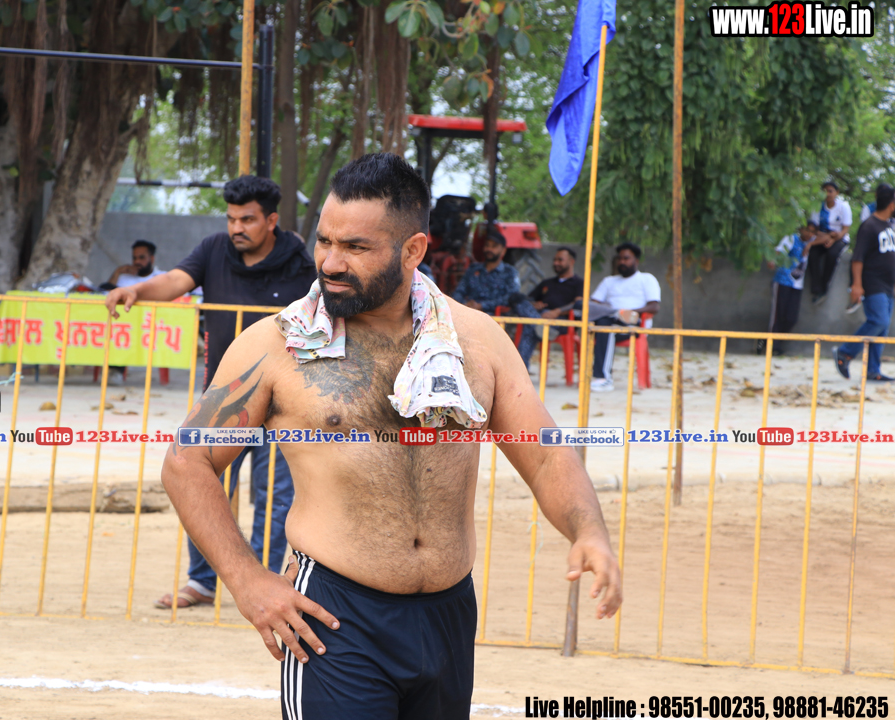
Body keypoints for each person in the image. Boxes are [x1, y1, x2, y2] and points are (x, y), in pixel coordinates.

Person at [160, 153, 621, 719]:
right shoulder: (277, 345)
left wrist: (589, 531)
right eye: (324, 241)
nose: (331, 262)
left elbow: (545, 456)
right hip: (334, 618)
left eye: (356, 247)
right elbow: (187, 462)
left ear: (413, 250)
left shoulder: (476, 342)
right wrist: (247, 580)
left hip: (449, 614)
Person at [105, 175, 317, 609]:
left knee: (274, 498)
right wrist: (136, 290)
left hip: (283, 401)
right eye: (232, 218)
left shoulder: (299, 261)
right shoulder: (213, 249)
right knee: (202, 484)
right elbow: (174, 281)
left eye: (247, 219)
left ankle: (266, 584)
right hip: (222, 400)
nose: (237, 227)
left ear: (271, 220)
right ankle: (202, 581)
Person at [834, 183, 895, 383]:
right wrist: (857, 285)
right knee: (879, 321)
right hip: (872, 282)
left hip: (888, 285)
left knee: (882, 329)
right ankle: (845, 352)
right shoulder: (869, 226)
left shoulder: (888, 226)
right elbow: (857, 258)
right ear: (891, 204)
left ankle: (873, 370)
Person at [589, 242, 661, 392]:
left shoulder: (646, 279)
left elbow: (654, 307)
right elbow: (593, 304)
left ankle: (603, 378)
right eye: (620, 258)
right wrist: (613, 312)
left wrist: (628, 312)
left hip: (634, 322)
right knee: (591, 312)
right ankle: (615, 313)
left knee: (606, 325)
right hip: (609, 320)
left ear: (636, 260)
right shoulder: (609, 281)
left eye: (626, 258)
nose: (622, 262)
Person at [761, 222, 816, 356]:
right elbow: (779, 252)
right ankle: (774, 346)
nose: (809, 234)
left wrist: (810, 245)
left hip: (797, 285)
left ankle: (768, 341)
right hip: (783, 281)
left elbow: (826, 237)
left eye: (812, 232)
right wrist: (773, 260)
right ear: (801, 229)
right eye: (807, 230)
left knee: (791, 318)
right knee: (778, 315)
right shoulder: (792, 239)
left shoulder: (812, 242)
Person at [450, 229, 520, 312]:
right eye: (487, 245)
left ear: (503, 251)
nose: (489, 249)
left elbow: (511, 298)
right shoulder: (473, 269)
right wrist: (464, 304)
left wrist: (482, 306)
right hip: (469, 313)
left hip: (495, 317)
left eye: (494, 246)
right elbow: (459, 291)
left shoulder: (510, 272)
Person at [808, 181, 854, 304]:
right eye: (825, 191)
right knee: (813, 254)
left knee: (832, 254)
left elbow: (845, 229)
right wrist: (826, 237)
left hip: (839, 238)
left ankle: (824, 287)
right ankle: (816, 288)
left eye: (830, 191)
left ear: (836, 193)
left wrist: (833, 239)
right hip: (822, 236)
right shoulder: (818, 206)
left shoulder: (843, 206)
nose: (827, 194)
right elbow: (814, 229)